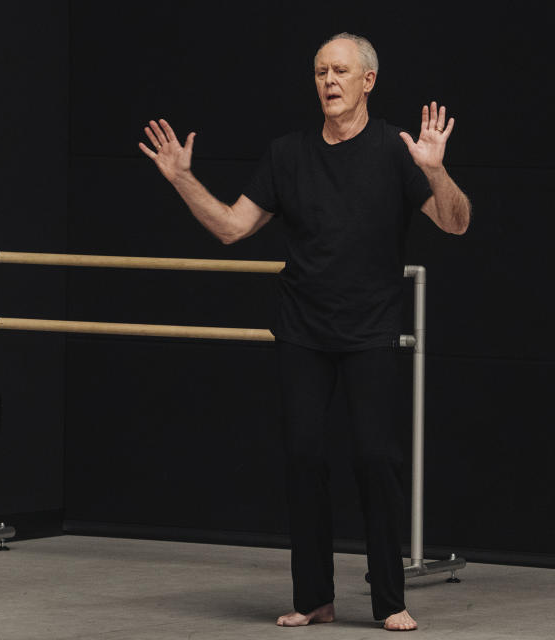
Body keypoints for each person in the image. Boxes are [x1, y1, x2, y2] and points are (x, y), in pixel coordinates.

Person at [139, 33, 470, 632]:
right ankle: (314, 596)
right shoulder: (287, 154)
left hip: (369, 329)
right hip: (302, 330)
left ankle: (390, 599)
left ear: (368, 80)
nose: (329, 82)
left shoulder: (398, 152)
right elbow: (232, 228)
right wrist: (182, 179)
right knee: (304, 458)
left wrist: (437, 170)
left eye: (341, 71)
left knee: (375, 459)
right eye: (321, 71)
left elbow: (456, 223)